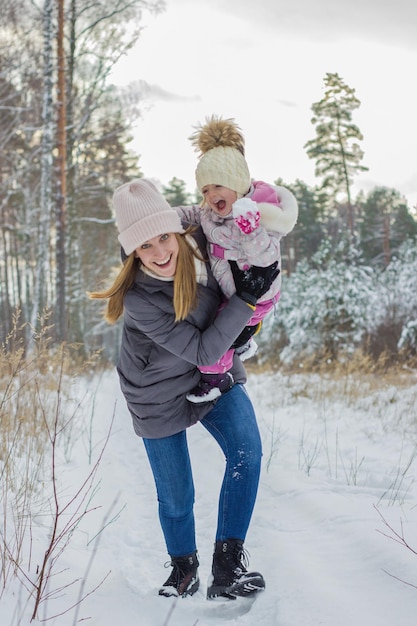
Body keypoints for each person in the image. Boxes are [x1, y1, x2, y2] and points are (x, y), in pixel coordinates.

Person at [88, 178, 279, 600]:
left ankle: (228, 567)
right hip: (156, 392)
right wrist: (247, 300)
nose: (159, 254)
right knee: (177, 497)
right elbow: (201, 349)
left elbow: (230, 203)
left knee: (247, 451)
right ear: (131, 253)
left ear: (175, 229)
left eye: (162, 238)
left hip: (213, 375)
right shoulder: (139, 299)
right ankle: (183, 570)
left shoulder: (200, 238)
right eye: (144, 247)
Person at [175, 115, 298, 403]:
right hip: (232, 291)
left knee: (218, 333)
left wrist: (250, 230)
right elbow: (191, 214)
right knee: (224, 323)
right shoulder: (209, 211)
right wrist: (165, 218)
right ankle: (244, 341)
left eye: (218, 186)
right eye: (205, 190)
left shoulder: (259, 216)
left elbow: (266, 259)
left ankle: (214, 377)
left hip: (258, 293)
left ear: (237, 183)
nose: (211, 194)